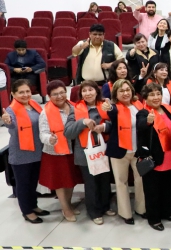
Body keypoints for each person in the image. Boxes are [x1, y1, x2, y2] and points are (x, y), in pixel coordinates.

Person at [64, 80, 114, 225]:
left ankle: (105, 206)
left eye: (90, 90)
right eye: (84, 91)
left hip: (104, 150)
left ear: (96, 91)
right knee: (91, 184)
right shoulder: (75, 109)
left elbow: (115, 124)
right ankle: (94, 212)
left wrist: (104, 127)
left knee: (105, 180)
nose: (88, 93)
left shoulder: (105, 105)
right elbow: (68, 133)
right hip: (85, 153)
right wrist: (82, 122)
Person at [2, 80, 49, 224]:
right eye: (21, 92)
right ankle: (27, 211)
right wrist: (7, 121)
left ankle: (33, 205)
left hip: (36, 150)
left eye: (27, 91)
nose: (25, 95)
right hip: (21, 153)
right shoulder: (10, 110)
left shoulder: (34, 105)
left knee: (33, 181)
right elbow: (12, 126)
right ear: (13, 94)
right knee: (23, 184)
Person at [135, 83, 171, 231]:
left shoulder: (167, 109)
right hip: (153, 158)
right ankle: (154, 218)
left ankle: (167, 212)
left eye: (158, 94)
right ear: (145, 97)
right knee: (152, 191)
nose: (156, 97)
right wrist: (148, 121)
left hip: (170, 156)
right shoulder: (143, 112)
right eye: (152, 94)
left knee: (167, 188)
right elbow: (141, 125)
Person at [102, 79, 146, 225]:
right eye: (121, 91)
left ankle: (141, 209)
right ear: (116, 93)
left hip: (137, 151)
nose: (125, 93)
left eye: (128, 90)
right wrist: (108, 107)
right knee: (121, 182)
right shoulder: (114, 108)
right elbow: (111, 112)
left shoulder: (138, 105)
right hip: (120, 150)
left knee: (140, 180)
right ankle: (126, 213)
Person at [38, 80, 82, 222]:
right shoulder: (45, 112)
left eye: (62, 92)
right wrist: (49, 139)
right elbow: (42, 133)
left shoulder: (74, 107)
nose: (59, 96)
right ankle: (66, 209)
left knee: (71, 180)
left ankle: (68, 204)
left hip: (73, 149)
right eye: (55, 94)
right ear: (49, 96)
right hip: (56, 152)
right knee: (61, 182)